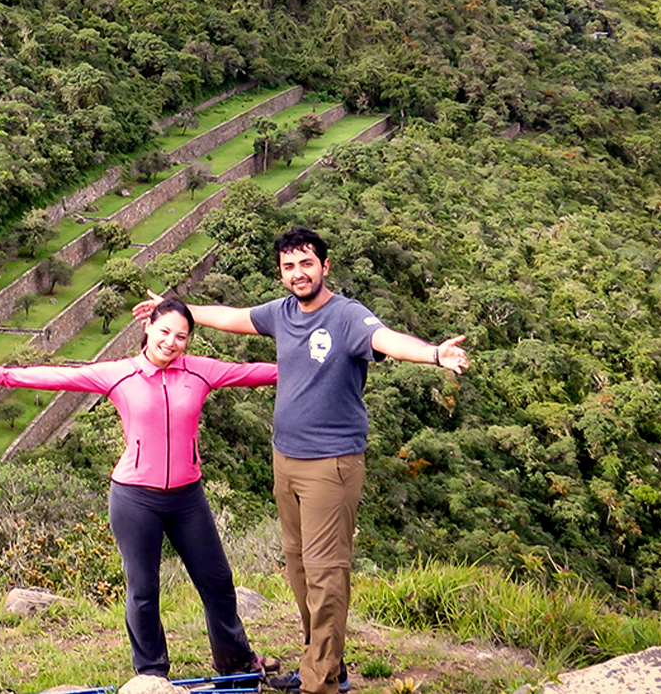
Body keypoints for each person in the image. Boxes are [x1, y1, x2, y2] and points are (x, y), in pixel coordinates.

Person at [133, 227, 469, 694]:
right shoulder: (282, 312)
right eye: (289, 267)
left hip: (331, 464)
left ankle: (319, 684)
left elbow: (389, 339)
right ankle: (327, 664)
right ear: (281, 273)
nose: (298, 274)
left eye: (306, 264)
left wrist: (433, 354)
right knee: (299, 569)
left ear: (324, 266)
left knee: (327, 573)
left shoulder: (347, 316)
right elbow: (233, 317)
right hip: (285, 460)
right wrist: (178, 311)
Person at [0, 297, 281, 680]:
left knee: (217, 582)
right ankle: (152, 674)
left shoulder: (201, 371)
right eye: (164, 332)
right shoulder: (119, 374)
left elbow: (256, 372)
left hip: (187, 497)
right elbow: (61, 377)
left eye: (181, 336)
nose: (171, 342)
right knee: (143, 591)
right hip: (135, 498)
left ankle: (236, 664)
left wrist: (317, 362)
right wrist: (1, 375)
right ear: (147, 329)